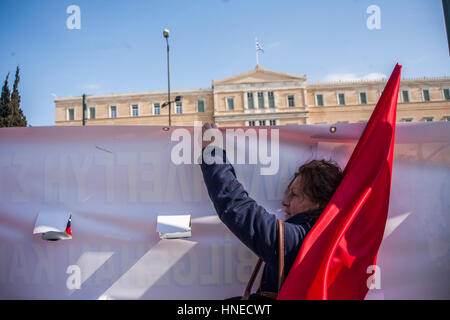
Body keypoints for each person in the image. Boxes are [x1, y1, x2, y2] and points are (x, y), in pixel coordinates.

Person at [199, 123, 344, 300]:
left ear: (319, 201)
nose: (285, 202)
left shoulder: (300, 241)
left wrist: (211, 153)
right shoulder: (332, 239)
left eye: (294, 195)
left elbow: (236, 206)